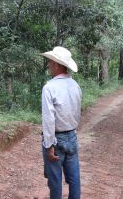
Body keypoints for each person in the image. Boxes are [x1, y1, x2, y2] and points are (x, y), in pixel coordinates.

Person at [40, 46, 82, 199]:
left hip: (56, 140)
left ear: (57, 65)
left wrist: (49, 144)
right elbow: (77, 111)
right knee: (74, 179)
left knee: (55, 181)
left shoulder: (49, 87)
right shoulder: (75, 85)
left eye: (50, 62)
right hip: (72, 135)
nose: (49, 65)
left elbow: (49, 119)